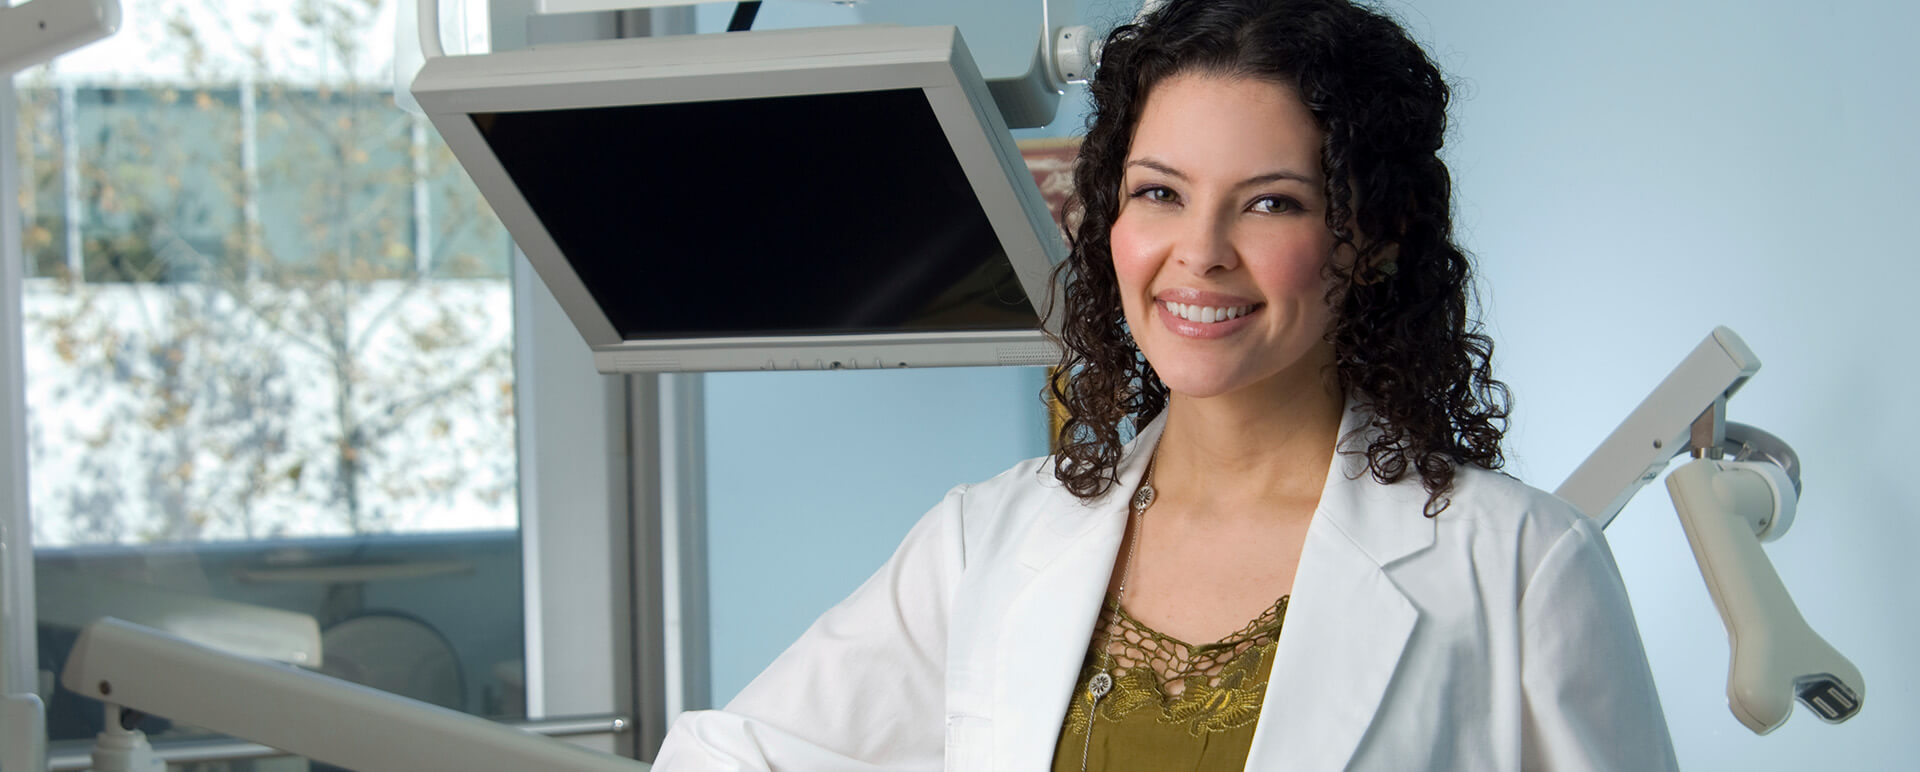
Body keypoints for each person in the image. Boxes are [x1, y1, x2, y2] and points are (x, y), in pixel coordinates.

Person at [654, 0, 1679, 769]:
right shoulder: (989, 542)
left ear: (1370, 238)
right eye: (1160, 194)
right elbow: (726, 753)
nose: (1200, 254)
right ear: (1111, 218)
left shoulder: (1519, 567)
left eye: (1270, 203)